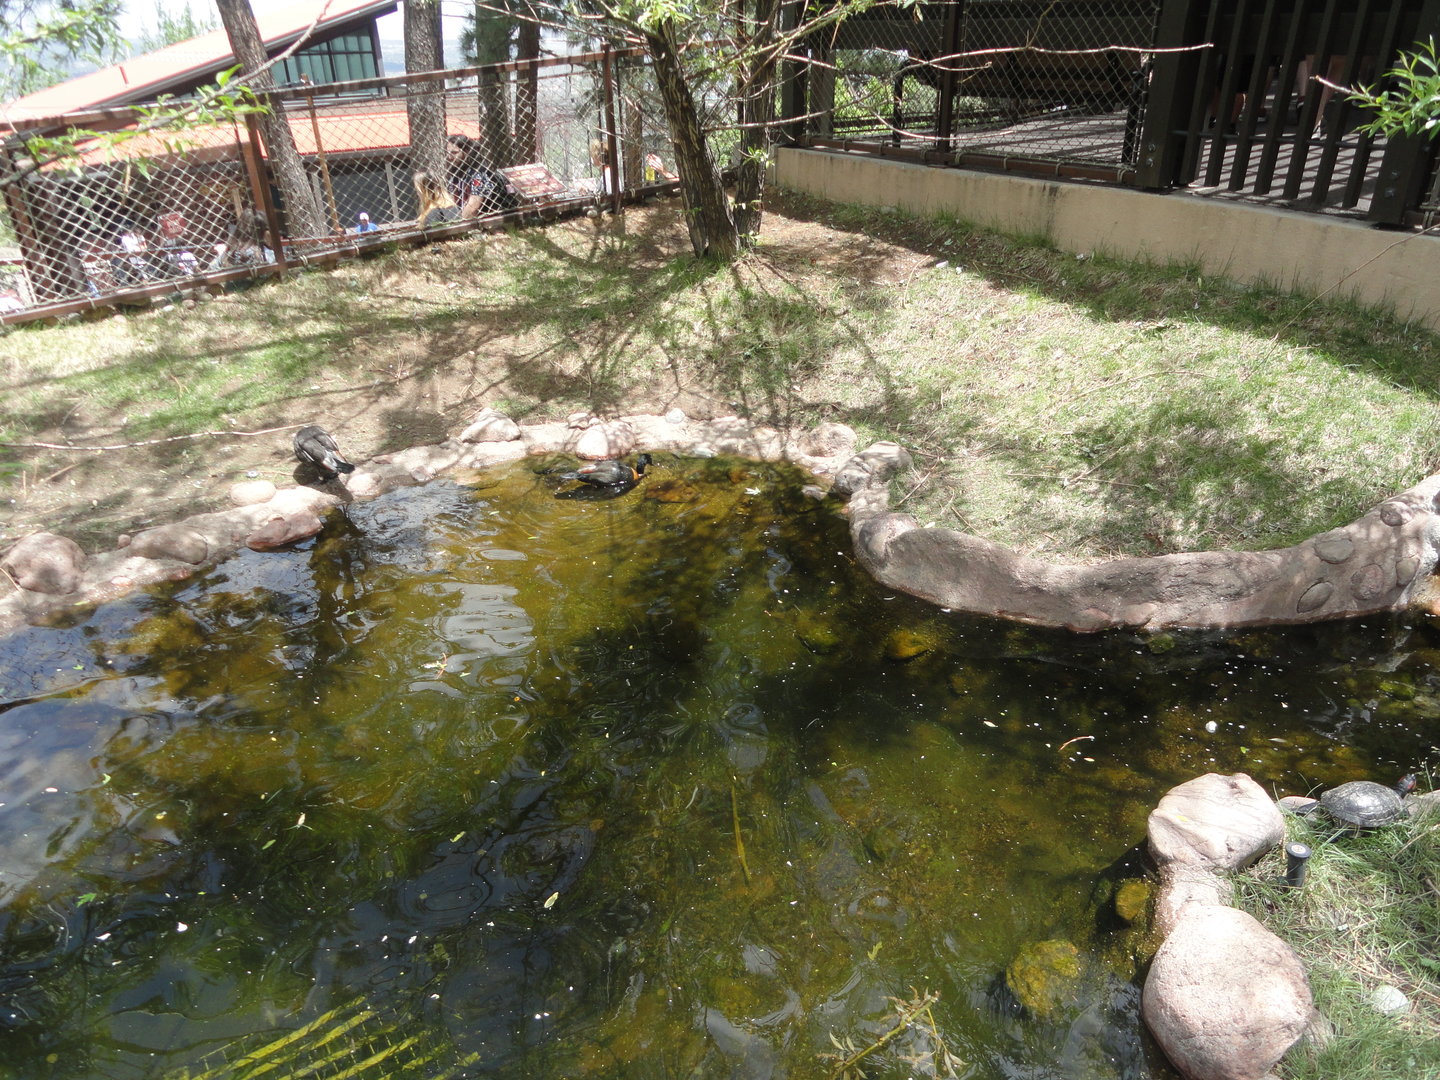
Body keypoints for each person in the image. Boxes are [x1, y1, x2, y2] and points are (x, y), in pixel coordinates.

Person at [446, 134, 518, 218]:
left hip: (484, 218)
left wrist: (457, 222)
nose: (449, 157)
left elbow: (473, 208)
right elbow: (451, 202)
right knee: (436, 213)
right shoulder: (455, 173)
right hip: (461, 215)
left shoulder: (479, 173)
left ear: (467, 151)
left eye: (454, 153)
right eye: (448, 153)